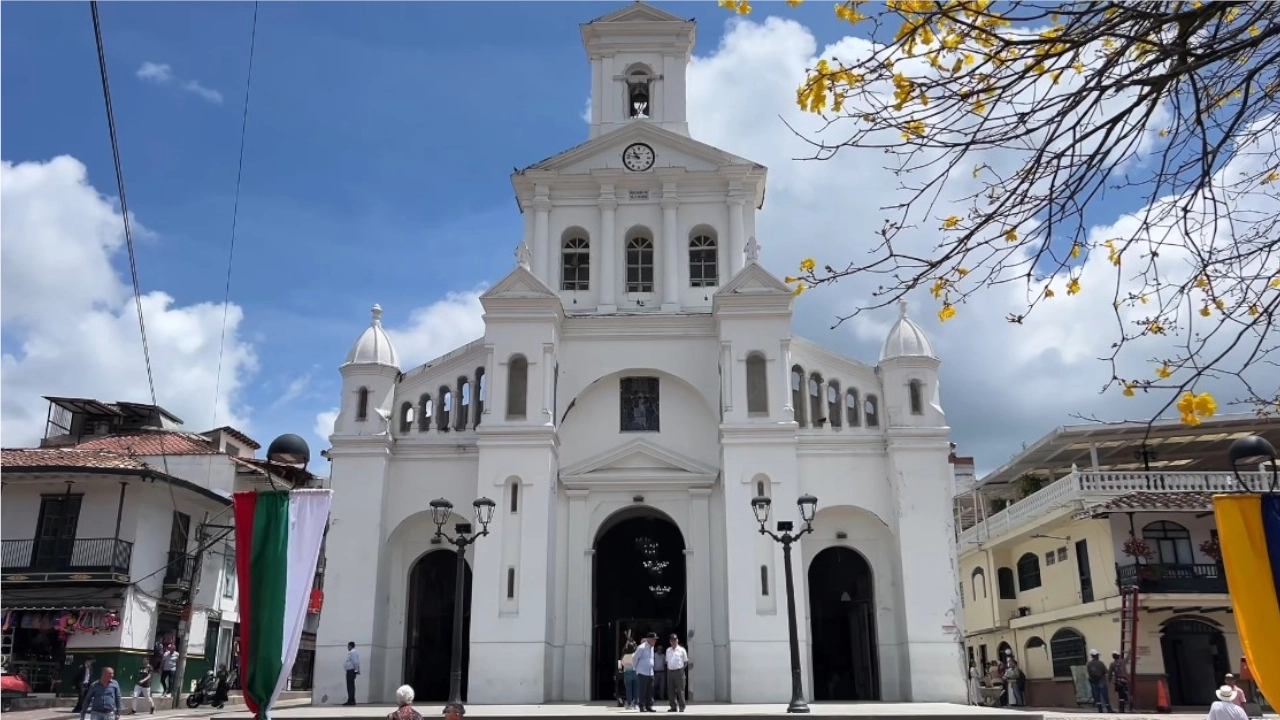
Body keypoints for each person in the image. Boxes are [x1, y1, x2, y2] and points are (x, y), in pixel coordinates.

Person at [633, 632, 657, 712]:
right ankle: (642, 706)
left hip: (650, 672)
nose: (655, 641)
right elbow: (635, 658)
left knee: (650, 690)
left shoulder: (652, 647)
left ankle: (649, 705)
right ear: (649, 639)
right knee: (642, 690)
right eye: (654, 639)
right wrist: (636, 668)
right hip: (642, 672)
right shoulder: (641, 647)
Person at [665, 635, 689, 713]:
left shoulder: (682, 650)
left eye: (675, 640)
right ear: (670, 641)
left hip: (679, 672)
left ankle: (682, 706)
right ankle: (673, 706)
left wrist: (681, 670)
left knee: (680, 690)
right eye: (672, 640)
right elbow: (667, 661)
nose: (673, 641)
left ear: (677, 640)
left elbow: (685, 662)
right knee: (671, 690)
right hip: (670, 672)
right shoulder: (668, 650)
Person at [619, 641, 638, 709]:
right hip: (635, 672)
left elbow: (622, 663)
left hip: (627, 672)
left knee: (628, 689)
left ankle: (629, 703)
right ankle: (635, 704)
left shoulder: (624, 656)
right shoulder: (635, 655)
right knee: (636, 689)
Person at [343, 641, 361, 706]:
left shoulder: (352, 652)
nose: (347, 647)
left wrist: (357, 670)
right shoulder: (353, 652)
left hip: (351, 671)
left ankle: (351, 700)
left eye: (348, 646)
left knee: (350, 686)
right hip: (350, 671)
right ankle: (351, 700)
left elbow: (355, 662)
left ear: (350, 646)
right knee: (350, 686)